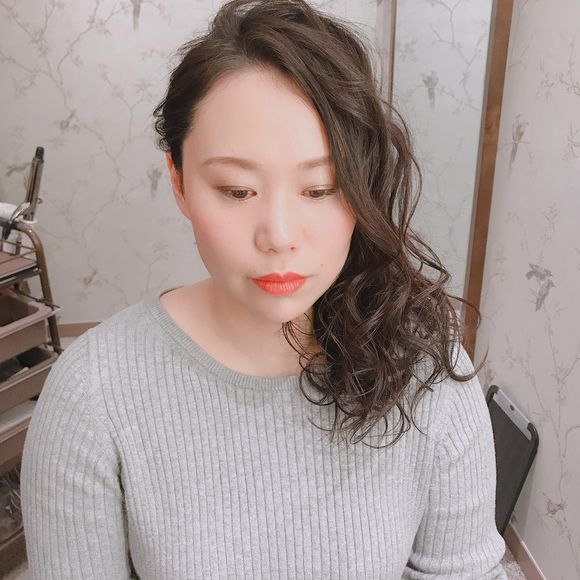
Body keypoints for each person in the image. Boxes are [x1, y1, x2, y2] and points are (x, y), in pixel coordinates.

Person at [20, 0, 507, 578]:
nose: (278, 236)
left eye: (320, 189)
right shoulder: (94, 392)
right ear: (179, 182)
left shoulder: (423, 366)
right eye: (237, 191)